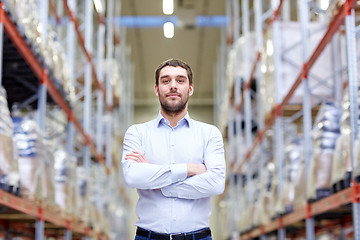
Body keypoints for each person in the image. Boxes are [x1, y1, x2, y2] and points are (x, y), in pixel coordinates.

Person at [121, 58, 226, 240]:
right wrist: (190, 169)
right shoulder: (137, 133)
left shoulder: (209, 133)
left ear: (190, 89)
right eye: (165, 81)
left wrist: (158, 181)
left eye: (180, 80)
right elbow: (133, 176)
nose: (173, 86)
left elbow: (216, 183)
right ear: (156, 89)